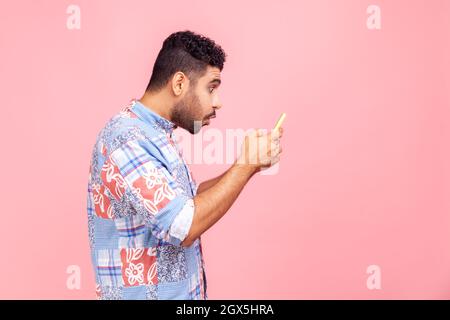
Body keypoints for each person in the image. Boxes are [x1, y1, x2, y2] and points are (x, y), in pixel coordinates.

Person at [86, 30, 283, 300]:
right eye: (211, 88)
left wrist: (249, 166)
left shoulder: (156, 134)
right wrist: (245, 166)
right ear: (179, 83)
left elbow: (187, 204)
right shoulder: (127, 139)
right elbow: (183, 226)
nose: (218, 102)